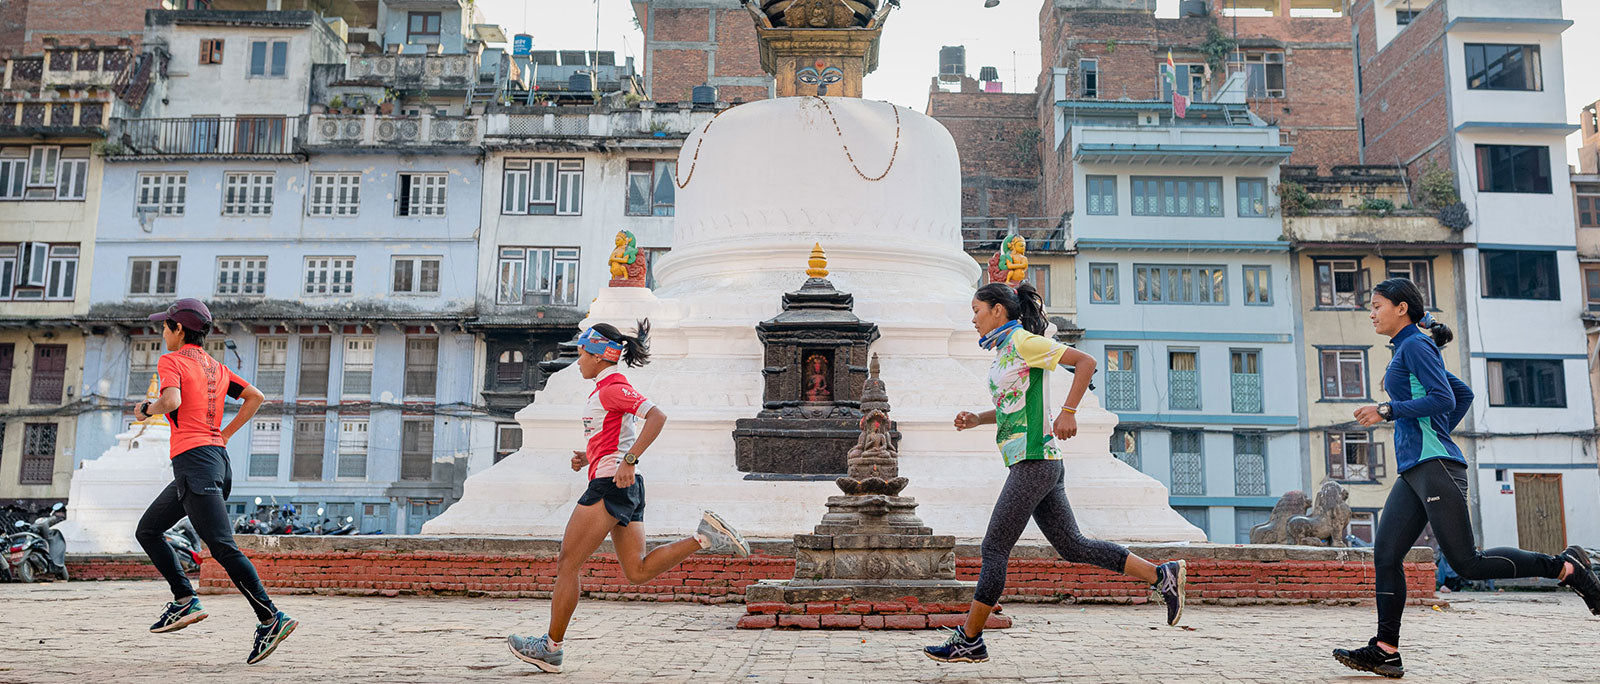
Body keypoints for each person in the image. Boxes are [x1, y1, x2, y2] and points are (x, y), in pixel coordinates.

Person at [1333, 278, 1600, 679]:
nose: (1371, 313)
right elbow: (1461, 394)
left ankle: (1565, 568)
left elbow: (1443, 398)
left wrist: (1388, 411)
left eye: (1376, 305)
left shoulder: (1415, 345)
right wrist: (1435, 428)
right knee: (1386, 555)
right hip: (1415, 469)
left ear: (1401, 308)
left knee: (1467, 562)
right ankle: (1386, 650)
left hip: (1435, 466)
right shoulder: (1411, 348)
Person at [924, 283, 1188, 664]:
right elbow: (1014, 405)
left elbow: (1086, 362)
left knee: (994, 548)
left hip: (1035, 461)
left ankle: (970, 638)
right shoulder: (1004, 351)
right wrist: (977, 418)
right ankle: (1161, 576)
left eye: (977, 309)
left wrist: (1070, 411)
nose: (973, 317)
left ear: (999, 311)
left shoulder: (1023, 342)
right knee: (1073, 546)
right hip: (1036, 460)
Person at [508, 320, 751, 673]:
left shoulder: (612, 387)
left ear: (599, 356)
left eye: (582, 354)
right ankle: (705, 537)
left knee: (567, 564)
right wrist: (589, 456)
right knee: (636, 571)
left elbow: (657, 416)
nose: (577, 362)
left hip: (610, 486)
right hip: (624, 486)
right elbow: (616, 436)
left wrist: (629, 460)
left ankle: (550, 647)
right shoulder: (602, 390)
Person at [131, 298, 297, 664]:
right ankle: (184, 598)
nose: (162, 332)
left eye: (165, 326)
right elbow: (255, 396)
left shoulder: (171, 360)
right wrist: (224, 434)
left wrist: (145, 410)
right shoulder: (217, 367)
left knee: (222, 547)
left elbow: (171, 401)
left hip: (195, 464)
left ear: (178, 329)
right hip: (214, 462)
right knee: (148, 530)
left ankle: (271, 618)